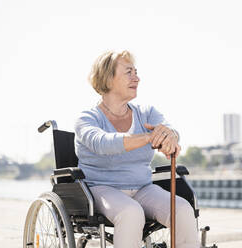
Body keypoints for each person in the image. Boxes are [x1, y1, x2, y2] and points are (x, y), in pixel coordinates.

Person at [74, 50, 200, 248]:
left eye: (136, 72)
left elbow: (170, 130)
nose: (137, 78)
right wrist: (150, 137)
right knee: (130, 213)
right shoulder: (87, 118)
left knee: (182, 210)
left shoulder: (147, 113)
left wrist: (170, 137)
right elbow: (103, 143)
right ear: (108, 77)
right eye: (129, 72)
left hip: (142, 187)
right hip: (101, 188)